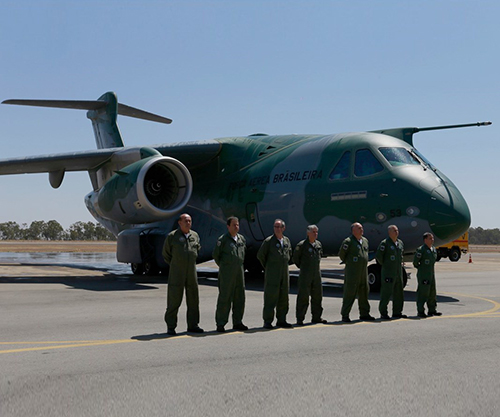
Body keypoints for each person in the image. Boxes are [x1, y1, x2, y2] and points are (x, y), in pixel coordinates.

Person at [162, 213, 203, 336]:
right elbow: (166, 254)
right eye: (185, 221)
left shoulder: (195, 236)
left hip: (191, 272)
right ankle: (171, 326)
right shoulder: (173, 236)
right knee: (174, 300)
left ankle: (193, 325)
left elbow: (197, 250)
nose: (188, 223)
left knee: (193, 300)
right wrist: (176, 264)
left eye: (190, 221)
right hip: (177, 272)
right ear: (179, 222)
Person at [213, 216, 248, 332]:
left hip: (239, 272)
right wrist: (225, 266)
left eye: (237, 224)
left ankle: (238, 322)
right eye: (234, 225)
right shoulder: (223, 240)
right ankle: (221, 323)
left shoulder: (241, 239)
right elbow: (216, 255)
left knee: (240, 297)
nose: (236, 227)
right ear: (228, 226)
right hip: (227, 273)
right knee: (225, 297)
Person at [257, 219, 293, 329]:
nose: (277, 229)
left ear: (283, 228)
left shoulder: (286, 241)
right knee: (270, 297)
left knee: (283, 297)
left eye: (279, 227)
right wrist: (269, 267)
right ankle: (268, 321)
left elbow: (289, 254)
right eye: (275, 227)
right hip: (272, 273)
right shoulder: (269, 241)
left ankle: (281, 320)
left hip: (284, 273)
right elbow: (261, 255)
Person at [338, 222, 374, 322]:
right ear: (353, 230)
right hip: (352, 272)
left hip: (363, 271)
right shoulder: (348, 241)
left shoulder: (365, 241)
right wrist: (350, 263)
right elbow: (342, 255)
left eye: (362, 228)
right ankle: (345, 315)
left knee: (364, 293)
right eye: (359, 228)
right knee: (350, 294)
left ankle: (364, 313)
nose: (361, 229)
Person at [293, 225, 327, 325]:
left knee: (317, 296)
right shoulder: (302, 245)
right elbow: (296, 258)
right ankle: (300, 318)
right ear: (308, 233)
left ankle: (316, 317)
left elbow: (320, 256)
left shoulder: (318, 244)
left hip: (316, 274)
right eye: (313, 232)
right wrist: (303, 268)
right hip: (305, 274)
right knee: (303, 296)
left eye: (316, 232)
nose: (315, 234)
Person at [376, 225, 407, 320]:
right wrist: (386, 266)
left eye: (397, 230)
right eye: (394, 230)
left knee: (399, 293)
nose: (396, 232)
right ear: (389, 232)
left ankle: (397, 312)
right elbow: (379, 257)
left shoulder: (400, 243)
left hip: (398, 273)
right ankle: (383, 312)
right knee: (386, 293)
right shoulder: (385, 243)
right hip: (388, 272)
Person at [413, 232, 442, 318]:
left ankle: (432, 310)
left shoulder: (433, 249)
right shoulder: (421, 250)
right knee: (423, 293)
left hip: (431, 274)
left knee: (432, 293)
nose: (432, 240)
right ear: (425, 240)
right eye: (430, 238)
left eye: (432, 238)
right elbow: (415, 262)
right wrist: (422, 269)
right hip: (423, 275)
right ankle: (421, 311)